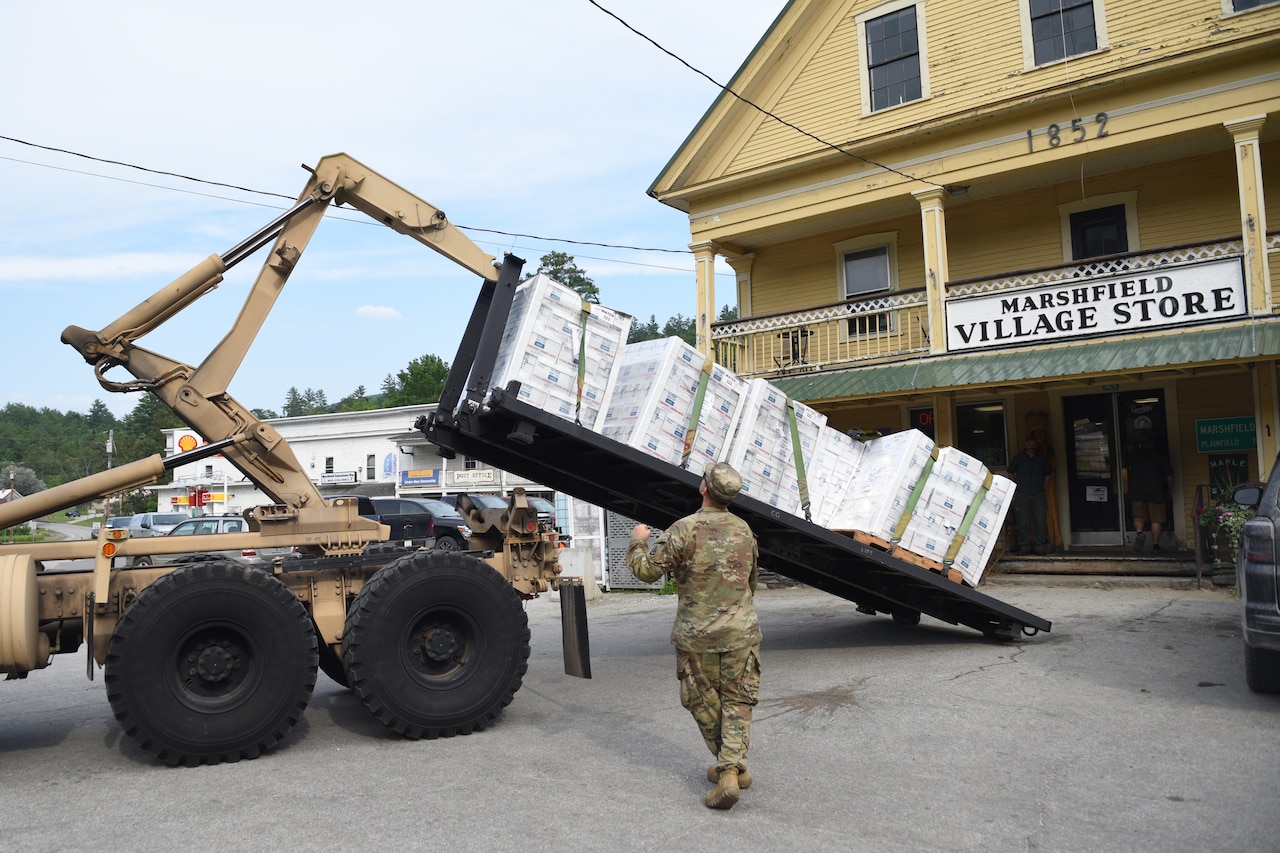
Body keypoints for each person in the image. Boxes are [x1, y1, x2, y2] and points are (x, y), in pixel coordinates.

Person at [627, 461, 762, 811]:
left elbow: (646, 571)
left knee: (702, 702)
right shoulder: (745, 530)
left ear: (704, 488)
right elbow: (751, 583)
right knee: (737, 702)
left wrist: (638, 541)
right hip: (742, 633)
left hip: (697, 638)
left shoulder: (683, 530)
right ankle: (734, 767)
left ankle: (728, 771)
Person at [1128, 434, 1174, 552]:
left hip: (1136, 490)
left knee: (1138, 516)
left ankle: (1140, 533)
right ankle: (1155, 546)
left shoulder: (1134, 456)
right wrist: (1170, 489)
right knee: (1156, 519)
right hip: (1155, 491)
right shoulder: (1159, 456)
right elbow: (1169, 476)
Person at [1008, 437, 1052, 555]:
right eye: (1029, 443)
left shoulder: (1042, 458)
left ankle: (1040, 546)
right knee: (1023, 521)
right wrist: (1016, 485)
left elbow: (1048, 474)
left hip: (1038, 493)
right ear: (1025, 444)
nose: (1031, 445)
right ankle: (1024, 546)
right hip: (1022, 493)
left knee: (1040, 520)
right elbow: (1010, 471)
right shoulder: (1018, 458)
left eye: (1033, 443)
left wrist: (1043, 488)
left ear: (1036, 445)